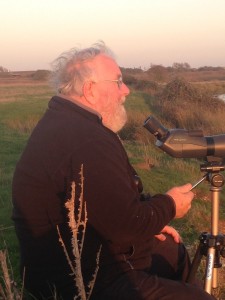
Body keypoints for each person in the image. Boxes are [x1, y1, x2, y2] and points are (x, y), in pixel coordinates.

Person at [12, 42, 214, 300]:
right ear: (90, 90)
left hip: (90, 251)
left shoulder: (68, 122)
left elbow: (106, 204)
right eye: (118, 81)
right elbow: (126, 226)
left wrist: (153, 217)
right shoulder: (84, 139)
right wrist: (170, 206)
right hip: (78, 278)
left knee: (172, 252)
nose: (126, 90)